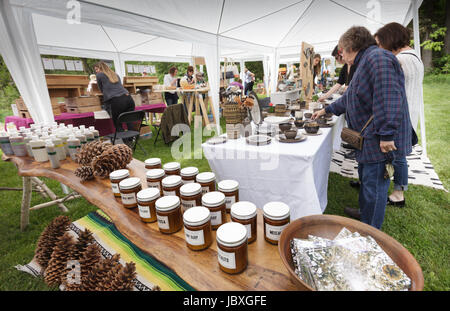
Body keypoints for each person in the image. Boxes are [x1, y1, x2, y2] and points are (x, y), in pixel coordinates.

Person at [312, 26, 412, 230]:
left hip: (378, 140)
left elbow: (389, 97)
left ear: (350, 47)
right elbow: (350, 97)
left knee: (375, 186)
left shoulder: (378, 59)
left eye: (342, 52)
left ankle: (370, 232)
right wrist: (327, 110)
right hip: (369, 139)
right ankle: (366, 213)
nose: (343, 57)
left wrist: (386, 135)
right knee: (368, 181)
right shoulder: (367, 61)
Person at [375, 22, 424, 207]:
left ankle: (398, 194)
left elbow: (391, 91)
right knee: (399, 155)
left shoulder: (401, 60)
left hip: (401, 115)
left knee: (398, 156)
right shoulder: (414, 57)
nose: (380, 48)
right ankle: (398, 189)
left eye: (381, 43)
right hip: (409, 112)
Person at [95, 61, 135, 131]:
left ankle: (124, 141)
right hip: (128, 98)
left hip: (117, 101)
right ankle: (132, 139)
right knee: (129, 121)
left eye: (96, 69)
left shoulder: (99, 75)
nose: (96, 71)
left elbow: (101, 89)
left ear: (100, 68)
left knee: (118, 123)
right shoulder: (115, 74)